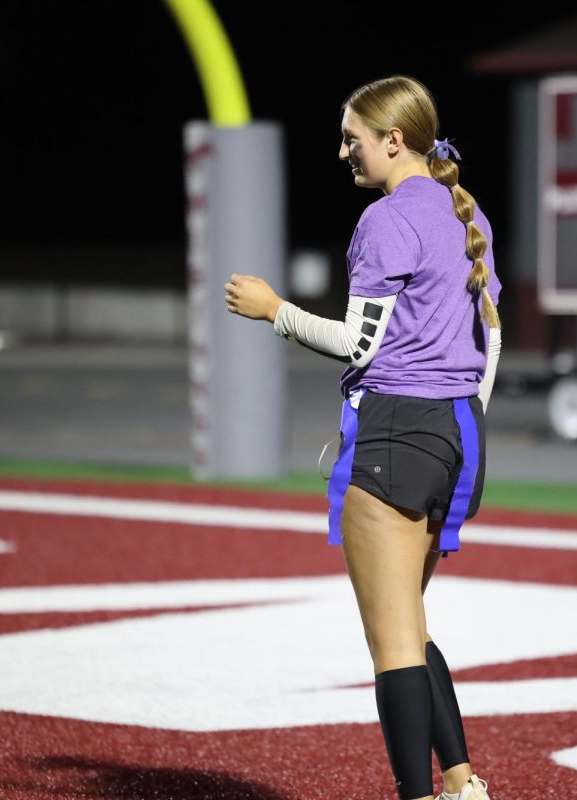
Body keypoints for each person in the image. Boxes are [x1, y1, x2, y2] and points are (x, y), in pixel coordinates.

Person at [223, 75, 501, 800]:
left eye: (352, 137)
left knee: (392, 646)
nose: (342, 150)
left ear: (393, 140)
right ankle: (464, 784)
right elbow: (490, 342)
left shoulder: (385, 221)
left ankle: (422, 796)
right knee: (410, 623)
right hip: (461, 435)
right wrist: (461, 418)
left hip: (396, 432)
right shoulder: (466, 212)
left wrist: (274, 310)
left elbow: (357, 344)